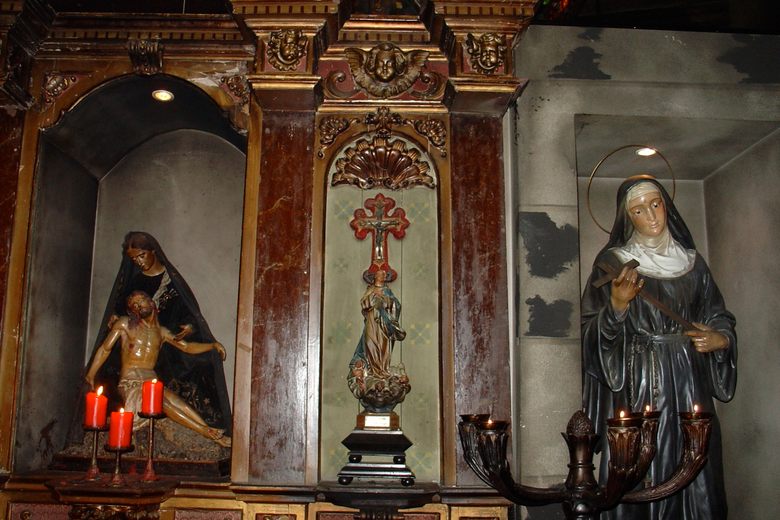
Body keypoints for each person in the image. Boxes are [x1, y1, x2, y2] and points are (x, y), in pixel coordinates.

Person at [581, 175, 737, 519]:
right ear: (627, 217)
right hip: (640, 381)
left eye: (655, 205)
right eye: (639, 210)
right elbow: (589, 329)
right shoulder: (613, 262)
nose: (651, 216)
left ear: (667, 206)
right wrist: (617, 305)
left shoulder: (693, 263)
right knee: (644, 462)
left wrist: (721, 338)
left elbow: (717, 314)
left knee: (697, 461)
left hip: (689, 378)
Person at [85, 231, 231, 437]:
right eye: (134, 259)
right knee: (159, 400)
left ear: (153, 251)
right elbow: (109, 339)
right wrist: (91, 374)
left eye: (141, 255)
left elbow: (188, 319)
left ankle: (208, 430)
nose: (138, 261)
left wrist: (196, 332)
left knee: (192, 379)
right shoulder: (132, 292)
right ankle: (205, 431)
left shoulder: (172, 283)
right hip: (134, 364)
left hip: (166, 347)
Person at [85, 291, 230, 447]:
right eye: (134, 305)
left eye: (140, 301)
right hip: (131, 381)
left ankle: (211, 431)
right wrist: (90, 375)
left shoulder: (162, 332)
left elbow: (187, 347)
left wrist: (212, 345)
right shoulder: (125, 324)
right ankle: (204, 431)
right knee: (161, 403)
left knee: (179, 403)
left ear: (151, 302)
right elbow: (105, 349)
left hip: (152, 382)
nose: (138, 305)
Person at [348, 268, 410, 412]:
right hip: (371, 323)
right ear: (375, 277)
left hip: (384, 326)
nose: (382, 277)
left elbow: (396, 306)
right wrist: (373, 298)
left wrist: (385, 301)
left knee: (383, 348)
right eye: (379, 275)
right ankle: (373, 372)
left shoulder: (387, 291)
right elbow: (364, 304)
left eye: (383, 275)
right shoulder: (370, 289)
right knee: (370, 345)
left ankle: (382, 371)